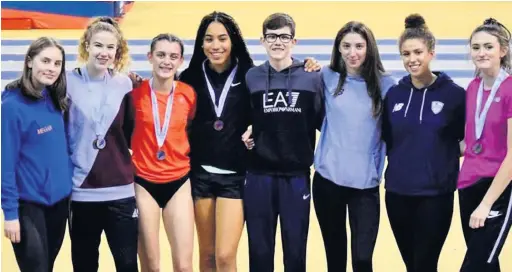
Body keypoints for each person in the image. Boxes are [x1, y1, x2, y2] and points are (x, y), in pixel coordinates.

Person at [178, 11, 321, 272]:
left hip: (252, 174)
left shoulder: (253, 74)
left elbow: (273, 110)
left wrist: (310, 64)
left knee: (233, 255)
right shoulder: (197, 78)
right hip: (216, 174)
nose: (216, 45)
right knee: (216, 254)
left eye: (222, 38)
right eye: (209, 39)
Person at [381, 14, 466, 271]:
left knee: (425, 265)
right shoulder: (394, 94)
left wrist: (444, 159)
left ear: (431, 53)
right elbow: (388, 139)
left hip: (435, 196)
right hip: (397, 195)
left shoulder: (454, 95)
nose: (411, 59)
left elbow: (467, 140)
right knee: (412, 265)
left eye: (418, 52)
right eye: (405, 54)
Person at [242, 13, 324, 272]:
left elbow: (324, 121)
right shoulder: (252, 77)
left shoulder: (312, 77)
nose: (278, 42)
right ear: (262, 41)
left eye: (284, 37)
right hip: (258, 175)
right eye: (272, 37)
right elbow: (245, 118)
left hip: (296, 175)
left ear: (294, 41)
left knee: (296, 252)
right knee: (260, 252)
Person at [313, 21, 395, 272]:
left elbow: (394, 133)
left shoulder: (386, 85)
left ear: (369, 49)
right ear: (338, 49)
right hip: (328, 182)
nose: (353, 52)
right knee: (335, 258)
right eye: (346, 46)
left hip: (365, 187)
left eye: (359, 46)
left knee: (362, 259)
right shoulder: (325, 77)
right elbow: (313, 118)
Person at [65, 17, 138, 272]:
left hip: (121, 191)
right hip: (82, 190)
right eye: (98, 45)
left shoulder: (125, 84)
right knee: (84, 264)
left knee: (128, 264)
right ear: (87, 45)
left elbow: (132, 133)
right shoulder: (66, 83)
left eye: (110, 47)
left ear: (118, 51)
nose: (104, 53)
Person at [1, 37, 72, 272]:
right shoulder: (12, 106)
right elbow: (6, 164)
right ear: (30, 61)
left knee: (47, 267)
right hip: (28, 205)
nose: (51, 68)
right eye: (45, 61)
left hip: (59, 203)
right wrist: (10, 213)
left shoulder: (55, 98)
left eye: (57, 63)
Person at [131, 33, 196, 272]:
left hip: (178, 181)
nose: (166, 61)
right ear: (150, 57)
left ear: (180, 61)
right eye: (160, 55)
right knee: (150, 266)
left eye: (173, 56)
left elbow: (191, 128)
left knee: (184, 266)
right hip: (143, 182)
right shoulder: (134, 93)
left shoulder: (189, 94)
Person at [457, 18, 512, 272]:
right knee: (487, 265)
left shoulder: (511, 89)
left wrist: (487, 203)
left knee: (475, 266)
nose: (481, 53)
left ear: (503, 50)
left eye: (488, 46)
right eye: (476, 47)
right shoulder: (473, 87)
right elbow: (471, 142)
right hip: (468, 185)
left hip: (498, 188)